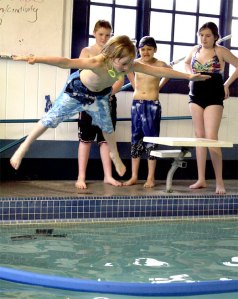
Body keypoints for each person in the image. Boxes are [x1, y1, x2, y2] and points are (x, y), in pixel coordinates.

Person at [10, 35, 210, 177]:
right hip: (78, 91)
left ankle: (114, 155)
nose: (126, 69)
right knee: (49, 120)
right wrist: (36, 59)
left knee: (108, 128)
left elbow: (158, 72)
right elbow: (66, 61)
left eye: (128, 64)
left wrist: (189, 76)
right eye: (122, 64)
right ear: (111, 57)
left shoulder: (130, 64)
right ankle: (23, 148)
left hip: (99, 96)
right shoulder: (98, 62)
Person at [184, 22, 238, 194]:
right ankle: (201, 179)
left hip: (214, 95)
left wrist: (226, 84)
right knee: (199, 136)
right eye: (201, 35)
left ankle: (219, 182)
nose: (204, 38)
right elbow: (186, 64)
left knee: (211, 137)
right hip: (195, 94)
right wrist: (189, 75)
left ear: (215, 37)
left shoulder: (220, 51)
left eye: (208, 35)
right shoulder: (194, 50)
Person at [76, 20, 124, 189]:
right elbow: (82, 75)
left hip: (107, 101)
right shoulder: (87, 52)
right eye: (101, 34)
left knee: (106, 140)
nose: (104, 38)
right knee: (86, 139)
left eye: (107, 35)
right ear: (94, 33)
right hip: (88, 100)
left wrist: (108, 94)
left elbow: (120, 78)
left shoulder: (115, 55)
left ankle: (108, 176)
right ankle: (81, 176)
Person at [123, 36, 171, 188]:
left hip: (152, 105)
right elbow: (127, 71)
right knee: (135, 140)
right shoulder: (135, 64)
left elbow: (170, 73)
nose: (146, 52)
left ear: (155, 50)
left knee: (151, 141)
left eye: (149, 49)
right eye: (143, 49)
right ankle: (134, 176)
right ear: (138, 50)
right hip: (137, 104)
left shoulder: (160, 64)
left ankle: (151, 177)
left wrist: (158, 87)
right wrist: (134, 84)